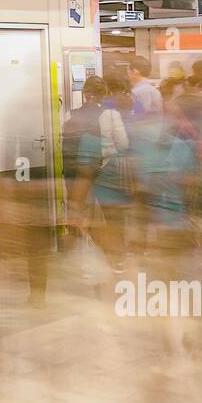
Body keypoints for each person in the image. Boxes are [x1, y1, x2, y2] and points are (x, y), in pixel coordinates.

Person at [70, 77, 131, 274]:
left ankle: (86, 262)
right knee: (113, 215)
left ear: (84, 93)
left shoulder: (71, 115)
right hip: (107, 169)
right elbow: (123, 144)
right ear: (103, 94)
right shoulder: (111, 115)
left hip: (80, 170)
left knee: (82, 214)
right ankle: (118, 259)